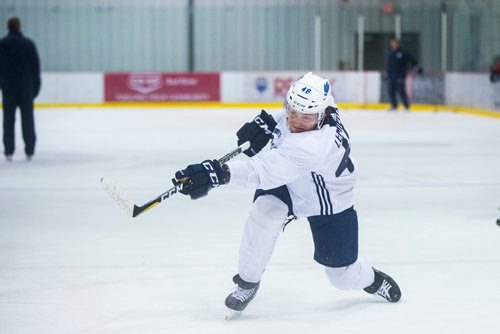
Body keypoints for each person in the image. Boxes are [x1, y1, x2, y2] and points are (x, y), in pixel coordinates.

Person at [173, 72, 401, 318]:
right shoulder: (321, 101)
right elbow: (295, 107)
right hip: (292, 181)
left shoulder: (312, 147)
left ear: (321, 115)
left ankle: (371, 279)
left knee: (341, 276)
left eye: (305, 117)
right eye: (292, 112)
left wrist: (216, 173)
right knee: (264, 213)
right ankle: (247, 282)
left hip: (327, 200)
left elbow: (261, 172)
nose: (296, 121)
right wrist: (270, 122)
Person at [0, 17, 41, 161]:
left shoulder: (2, 45)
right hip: (26, 88)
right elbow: (36, 68)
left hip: (8, 88)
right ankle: (29, 150)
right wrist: (36, 88)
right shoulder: (28, 44)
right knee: (28, 120)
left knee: (8, 121)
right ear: (19, 26)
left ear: (8, 27)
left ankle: (8, 150)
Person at [385, 38, 422, 111]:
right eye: (392, 44)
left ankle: (406, 106)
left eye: (394, 43)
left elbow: (412, 60)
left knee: (401, 91)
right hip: (392, 76)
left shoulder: (403, 53)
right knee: (391, 90)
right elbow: (389, 65)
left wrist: (417, 67)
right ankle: (394, 106)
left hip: (400, 75)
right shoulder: (391, 54)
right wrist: (387, 73)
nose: (393, 45)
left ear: (398, 44)